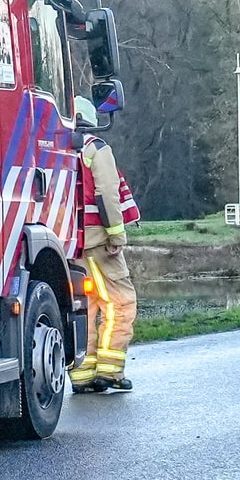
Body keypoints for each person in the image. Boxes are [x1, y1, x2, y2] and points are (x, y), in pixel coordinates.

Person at [68, 96, 140, 393]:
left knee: (85, 306)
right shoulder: (96, 149)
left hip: (69, 243)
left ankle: (82, 375)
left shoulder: (58, 148)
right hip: (98, 241)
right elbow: (107, 194)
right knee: (121, 304)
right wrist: (116, 235)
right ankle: (109, 372)